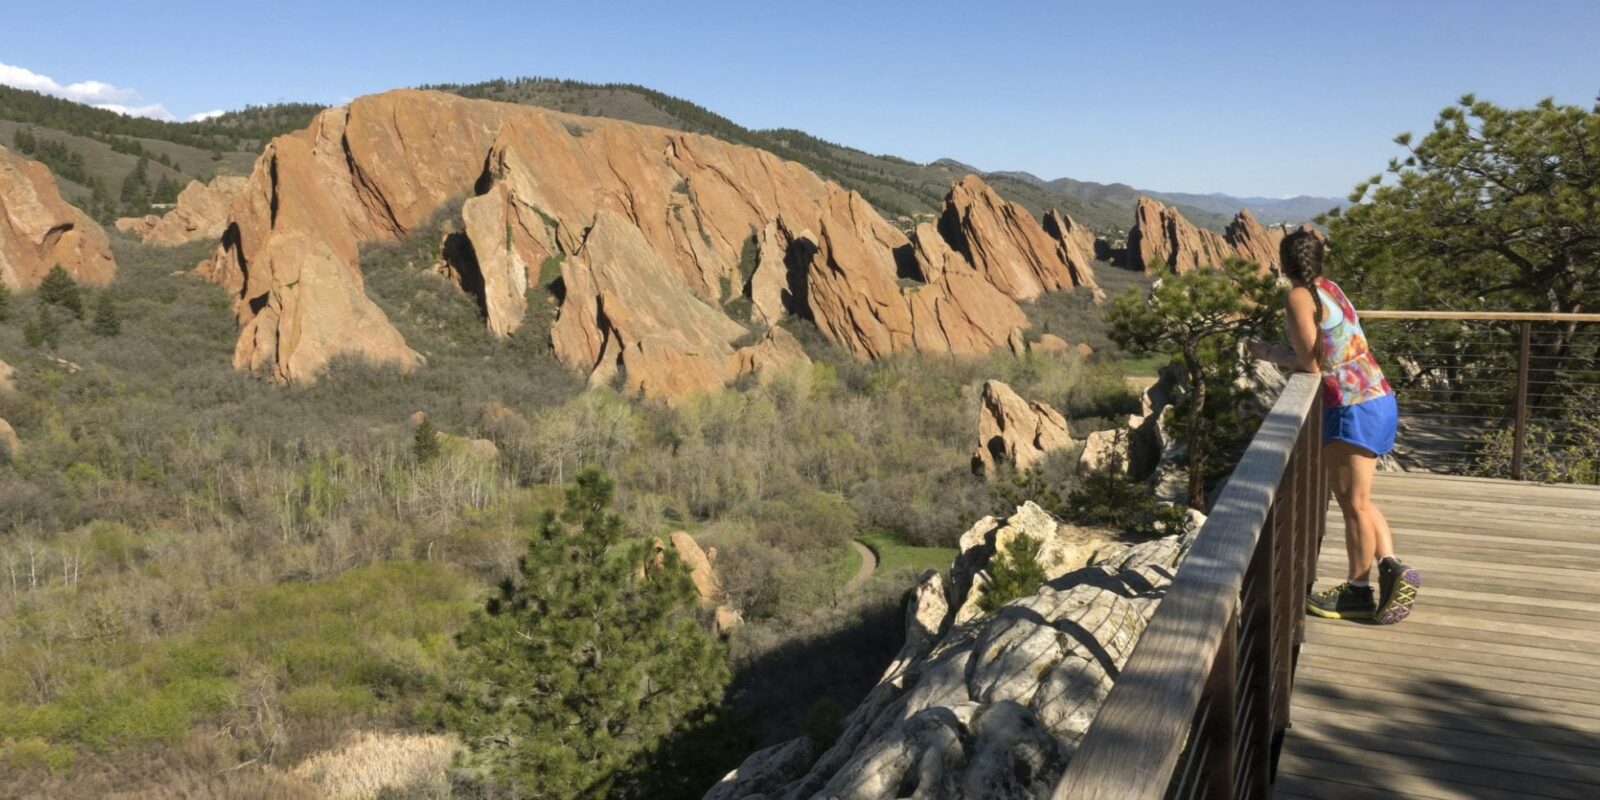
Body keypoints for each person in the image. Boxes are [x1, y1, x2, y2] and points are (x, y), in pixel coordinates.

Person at [1247, 229, 1421, 624]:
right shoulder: (1330, 288)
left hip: (1350, 406)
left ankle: (1357, 591)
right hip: (1378, 396)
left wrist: (1267, 352)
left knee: (1353, 505)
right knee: (1359, 499)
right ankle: (1392, 566)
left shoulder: (1297, 296)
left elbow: (1309, 362)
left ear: (1283, 263)